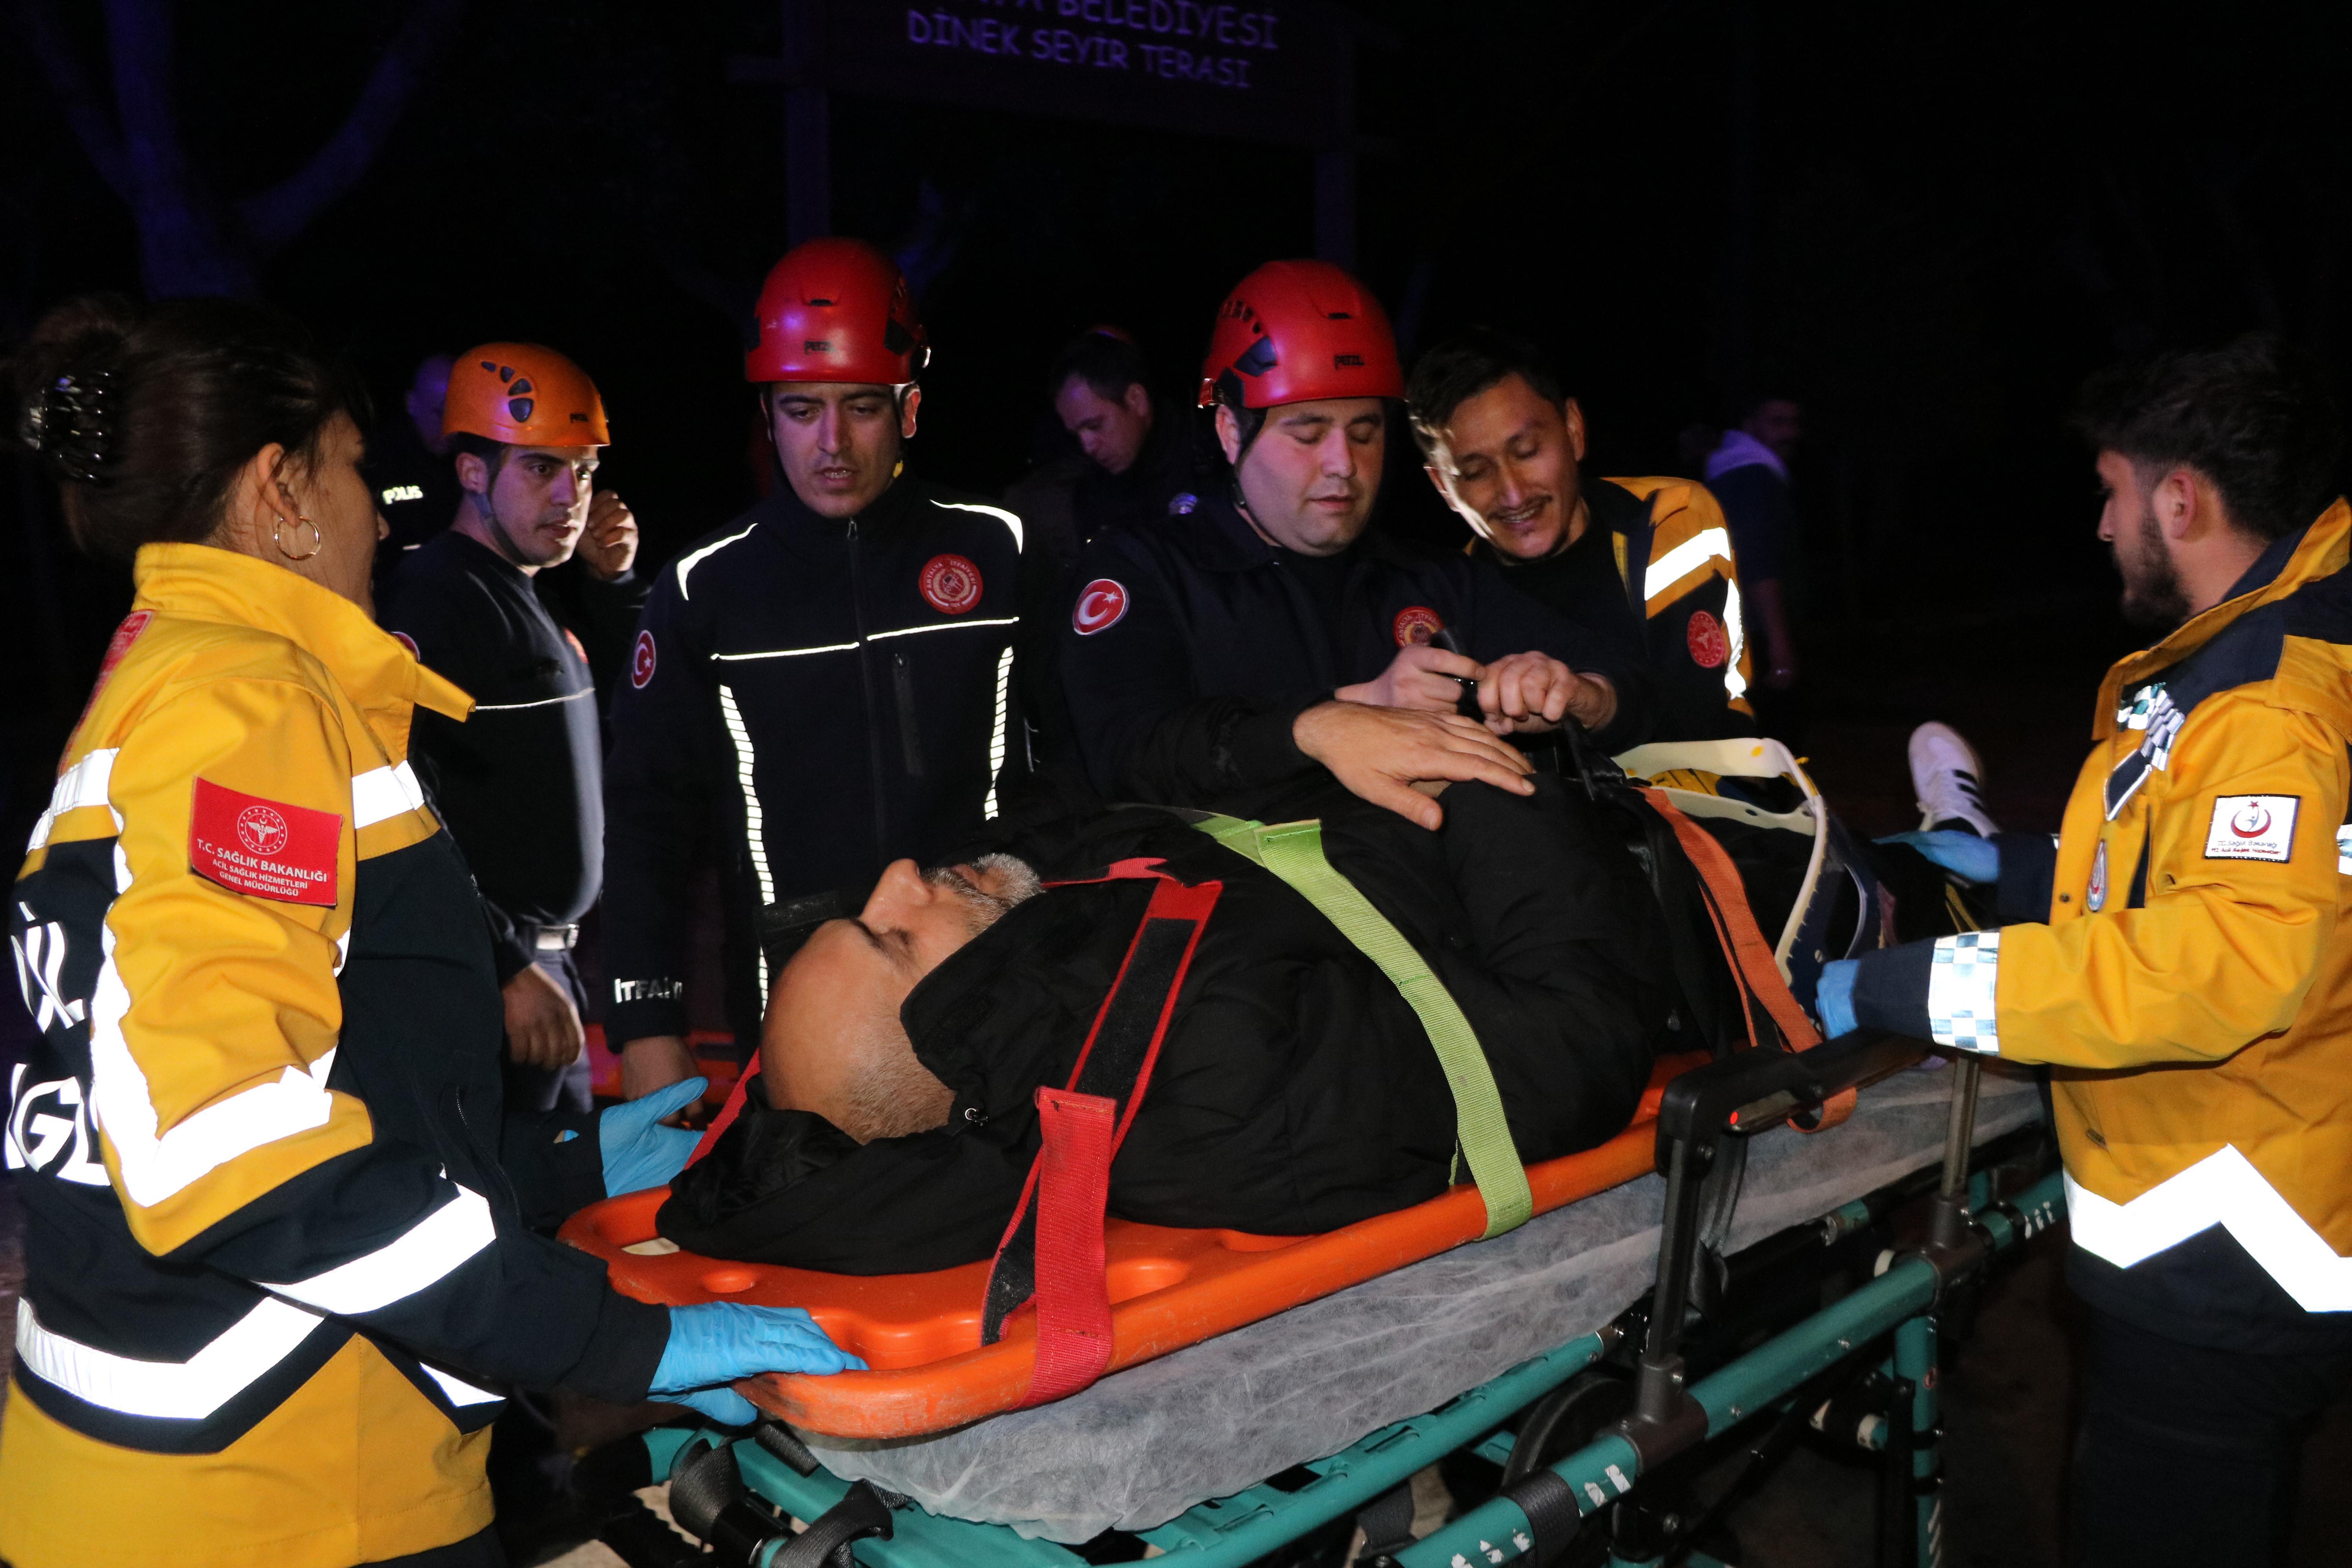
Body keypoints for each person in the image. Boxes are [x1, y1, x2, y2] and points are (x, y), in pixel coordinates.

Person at [0, 297, 860, 1568]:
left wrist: (565, 1162)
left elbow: (338, 1078)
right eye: (357, 469)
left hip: (185, 1468)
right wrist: (622, 1338)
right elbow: (223, 1143)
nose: (381, 512)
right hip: (272, 1485)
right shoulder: (245, 706)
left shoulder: (181, 686)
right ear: (279, 492)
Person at [1819, 336, 2352, 1568]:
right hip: (2250, 1213)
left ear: (2182, 500)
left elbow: (2217, 961)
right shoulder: (2271, 652)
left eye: (2113, 492)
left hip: (2223, 1249)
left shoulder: (2265, 703)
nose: (2102, 524)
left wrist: (1901, 986)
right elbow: (2200, 872)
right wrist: (2016, 872)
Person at [658, 769, 1667, 1271]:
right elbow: (1572, 1043)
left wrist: (1312, 733)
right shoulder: (1234, 1095)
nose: (896, 877)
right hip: (1613, 877)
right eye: (893, 936)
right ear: (962, 1053)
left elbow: (1139, 780)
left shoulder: (1050, 954)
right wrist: (1487, 774)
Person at [603, 238, 1042, 1100]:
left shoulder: (1001, 550)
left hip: (1000, 989)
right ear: (768, 416)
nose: (830, 442)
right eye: (802, 410)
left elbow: (1081, 768)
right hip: (796, 1012)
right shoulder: (704, 589)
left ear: (909, 409)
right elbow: (649, 818)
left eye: (861, 408)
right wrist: (647, 1023)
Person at [1056, 259, 1652, 824]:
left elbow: (1624, 678)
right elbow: (1126, 753)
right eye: (1309, 435)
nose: (1344, 464)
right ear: (1231, 431)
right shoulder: (1145, 570)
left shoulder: (1434, 579)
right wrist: (1334, 717)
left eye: (1364, 433)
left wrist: (1581, 696)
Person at [380, 343, 645, 1116]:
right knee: (512, 1185)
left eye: (584, 471)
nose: (572, 495)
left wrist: (616, 586)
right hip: (492, 978)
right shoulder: (438, 599)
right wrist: (501, 963)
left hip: (545, 967)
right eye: (541, 468)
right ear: (473, 471)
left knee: (564, 1181)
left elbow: (643, 711)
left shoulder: (523, 587)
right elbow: (395, 795)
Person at [1407, 328, 1757, 742]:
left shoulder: (1672, 516)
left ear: (1574, 429)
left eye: (1527, 451)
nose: (1513, 494)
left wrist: (1590, 702)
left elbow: (1700, 715)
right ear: (1444, 487)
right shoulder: (1450, 599)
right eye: (1476, 472)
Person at [1017, 328, 1207, 572]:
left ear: (1137, 400)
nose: (1088, 446)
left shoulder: (1210, 462)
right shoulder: (1091, 491)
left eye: (1095, 426)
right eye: (1077, 434)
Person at [1705, 397, 1802, 696]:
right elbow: (1758, 561)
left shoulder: (1736, 472)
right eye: (1777, 423)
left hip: (1735, 631)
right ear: (1750, 426)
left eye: (1794, 423)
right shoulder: (1752, 476)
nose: (1789, 433)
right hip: (1753, 636)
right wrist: (1779, 644)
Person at [367, 351, 462, 580]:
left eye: (459, 413)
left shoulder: (474, 461)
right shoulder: (375, 463)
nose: (450, 426)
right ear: (412, 403)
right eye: (440, 412)